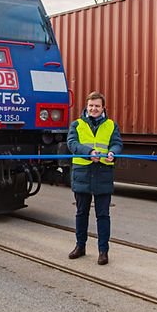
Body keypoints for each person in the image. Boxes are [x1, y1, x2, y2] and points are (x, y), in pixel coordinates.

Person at [66, 91, 123, 265]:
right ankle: (80, 246)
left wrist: (113, 152)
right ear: (86, 106)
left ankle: (103, 251)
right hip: (82, 174)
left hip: (102, 174)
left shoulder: (111, 125)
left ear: (103, 107)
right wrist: (89, 153)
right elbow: (72, 144)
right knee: (81, 213)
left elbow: (117, 143)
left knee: (103, 215)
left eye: (97, 106)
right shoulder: (77, 124)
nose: (94, 109)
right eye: (91, 106)